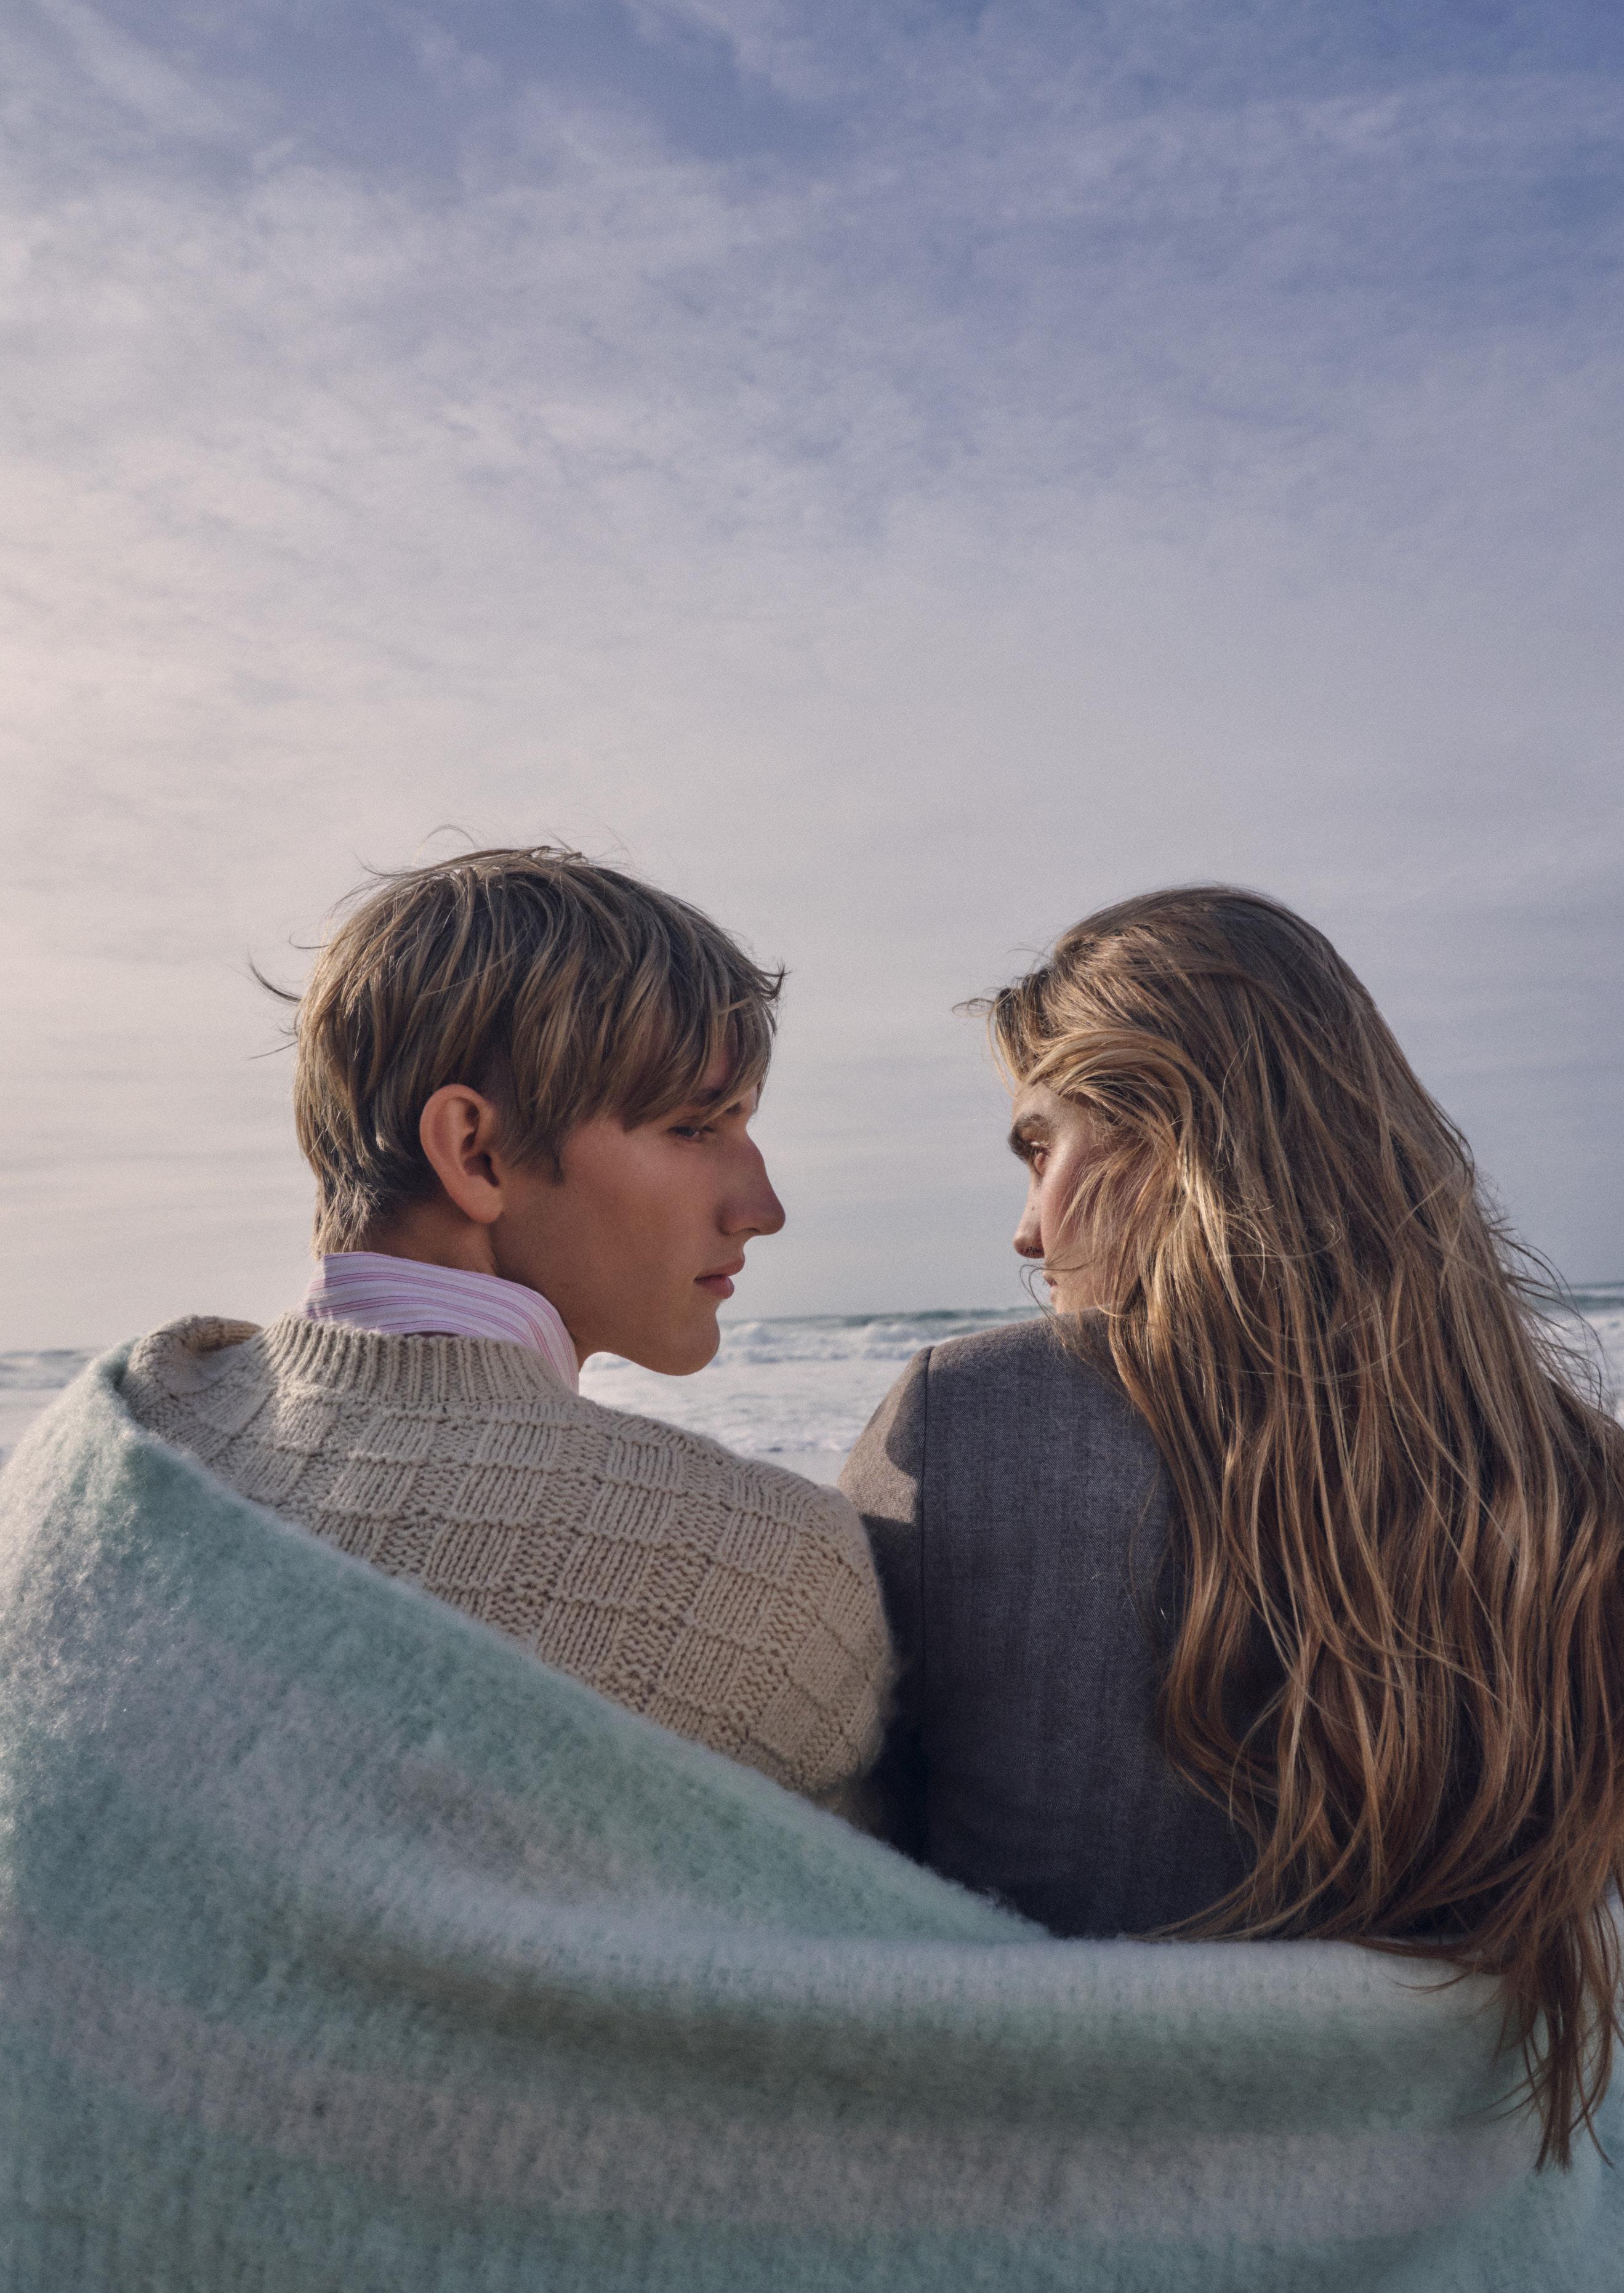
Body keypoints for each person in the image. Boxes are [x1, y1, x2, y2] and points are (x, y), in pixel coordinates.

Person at [842, 884, 1624, 2167]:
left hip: (1047, 2170)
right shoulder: (1580, 1487)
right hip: (1447, 2201)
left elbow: (826, 1838)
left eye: (1041, 1146)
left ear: (1159, 1139)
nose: (1028, 1230)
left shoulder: (967, 1417)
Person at [123, 845, 890, 1810]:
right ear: (475, 1152)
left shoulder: (131, 1428)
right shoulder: (761, 1569)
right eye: (696, 1128)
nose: (761, 1208)